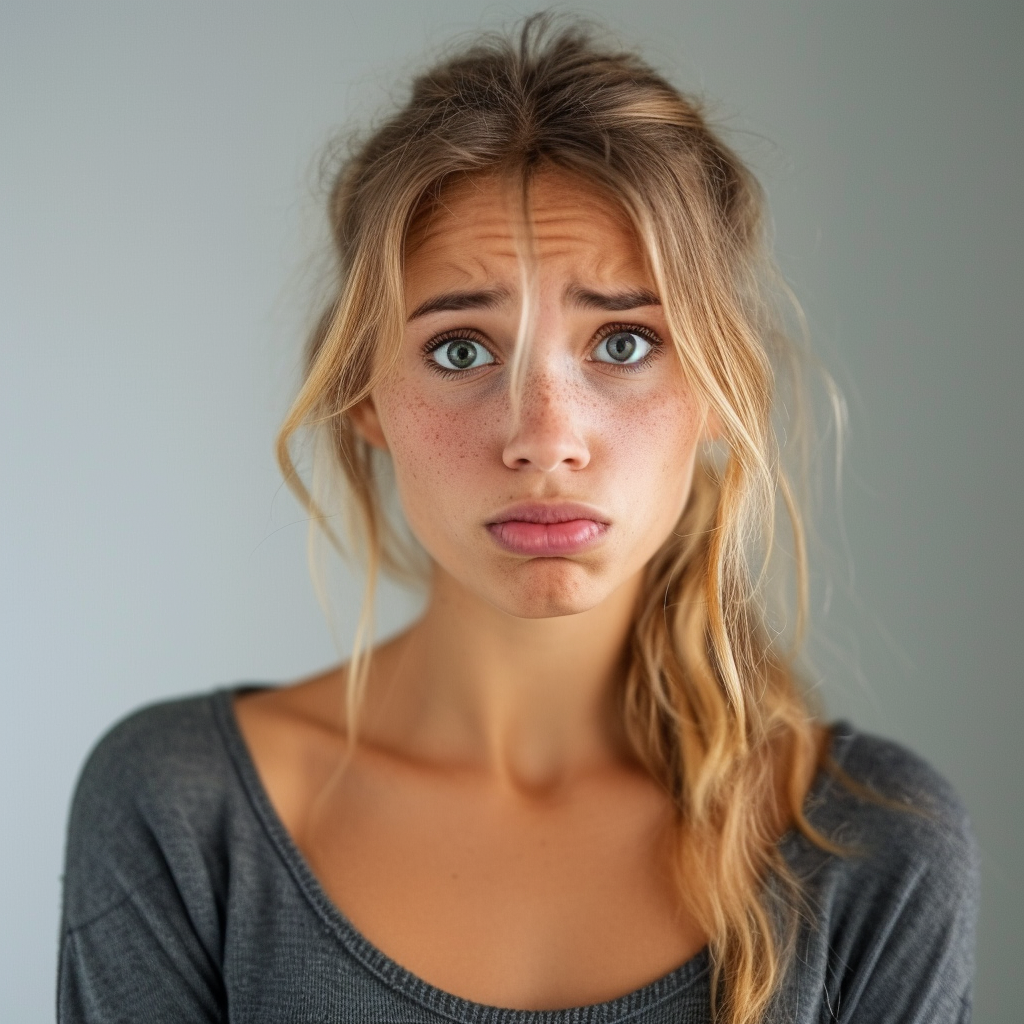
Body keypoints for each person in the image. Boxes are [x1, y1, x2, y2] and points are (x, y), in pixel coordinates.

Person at [58, 16, 979, 1024]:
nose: (545, 437)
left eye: (624, 342)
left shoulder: (873, 840)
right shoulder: (185, 808)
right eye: (461, 350)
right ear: (365, 397)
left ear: (721, 387)